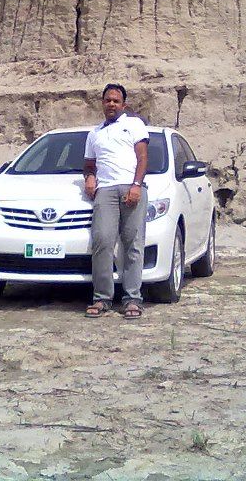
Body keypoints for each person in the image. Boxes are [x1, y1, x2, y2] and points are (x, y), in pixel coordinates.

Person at [83, 83, 148, 319]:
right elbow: (89, 165)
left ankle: (132, 299)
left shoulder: (134, 125)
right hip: (106, 191)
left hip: (132, 189)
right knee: (102, 241)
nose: (111, 104)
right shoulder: (94, 134)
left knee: (133, 244)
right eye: (107, 100)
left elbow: (142, 157)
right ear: (102, 103)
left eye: (116, 101)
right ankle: (102, 298)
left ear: (124, 105)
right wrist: (90, 177)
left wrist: (137, 185)